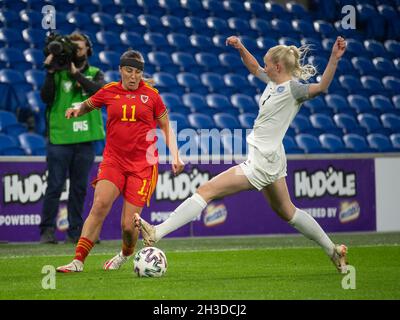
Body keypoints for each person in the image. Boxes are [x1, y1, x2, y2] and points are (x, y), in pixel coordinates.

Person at [136, 36, 349, 273]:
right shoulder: (273, 81)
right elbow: (253, 67)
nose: (264, 67)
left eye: (268, 64)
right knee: (288, 212)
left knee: (206, 191)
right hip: (271, 156)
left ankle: (157, 232)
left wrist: (333, 59)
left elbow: (321, 88)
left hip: (262, 160)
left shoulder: (292, 90)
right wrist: (240, 48)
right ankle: (333, 250)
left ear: (278, 67)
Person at [56, 49, 185, 272]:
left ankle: (125, 253)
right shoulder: (109, 91)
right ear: (120, 70)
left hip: (142, 166)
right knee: (100, 205)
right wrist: (77, 109)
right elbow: (88, 104)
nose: (133, 76)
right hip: (114, 160)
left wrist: (175, 154)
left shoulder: (152, 96)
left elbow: (165, 126)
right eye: (129, 70)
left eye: (137, 72)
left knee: (128, 225)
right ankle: (77, 261)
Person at [40, 32, 105, 244]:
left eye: (81, 47)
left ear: (88, 50)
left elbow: (98, 93)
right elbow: (46, 98)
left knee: (79, 188)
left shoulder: (95, 72)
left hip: (85, 140)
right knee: (55, 186)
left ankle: (76, 231)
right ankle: (48, 230)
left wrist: (76, 75)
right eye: (74, 48)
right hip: (60, 139)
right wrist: (50, 72)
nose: (77, 51)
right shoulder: (57, 74)